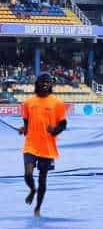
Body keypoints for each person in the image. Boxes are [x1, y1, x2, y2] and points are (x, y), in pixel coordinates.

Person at [18, 72, 67, 217]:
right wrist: (23, 129)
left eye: (48, 83)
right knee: (28, 174)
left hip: (47, 146)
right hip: (31, 144)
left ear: (51, 85)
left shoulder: (57, 103)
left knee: (43, 179)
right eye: (42, 82)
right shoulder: (28, 103)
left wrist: (55, 130)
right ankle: (32, 189)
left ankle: (38, 207)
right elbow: (26, 123)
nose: (45, 85)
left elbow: (63, 124)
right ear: (37, 84)